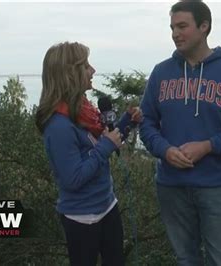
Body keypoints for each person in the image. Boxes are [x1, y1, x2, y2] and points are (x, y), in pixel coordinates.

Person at [139, 1, 221, 265]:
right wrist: (164, 150)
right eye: (172, 27)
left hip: (216, 185)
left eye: (182, 26)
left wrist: (209, 145)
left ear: (204, 27)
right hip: (171, 185)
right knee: (185, 259)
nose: (175, 33)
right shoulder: (161, 73)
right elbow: (146, 122)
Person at [35, 41, 142, 266]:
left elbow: (102, 142)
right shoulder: (59, 126)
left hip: (107, 205)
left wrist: (126, 122)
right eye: (86, 66)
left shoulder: (83, 111)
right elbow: (73, 178)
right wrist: (105, 147)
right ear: (70, 74)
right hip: (82, 218)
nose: (93, 70)